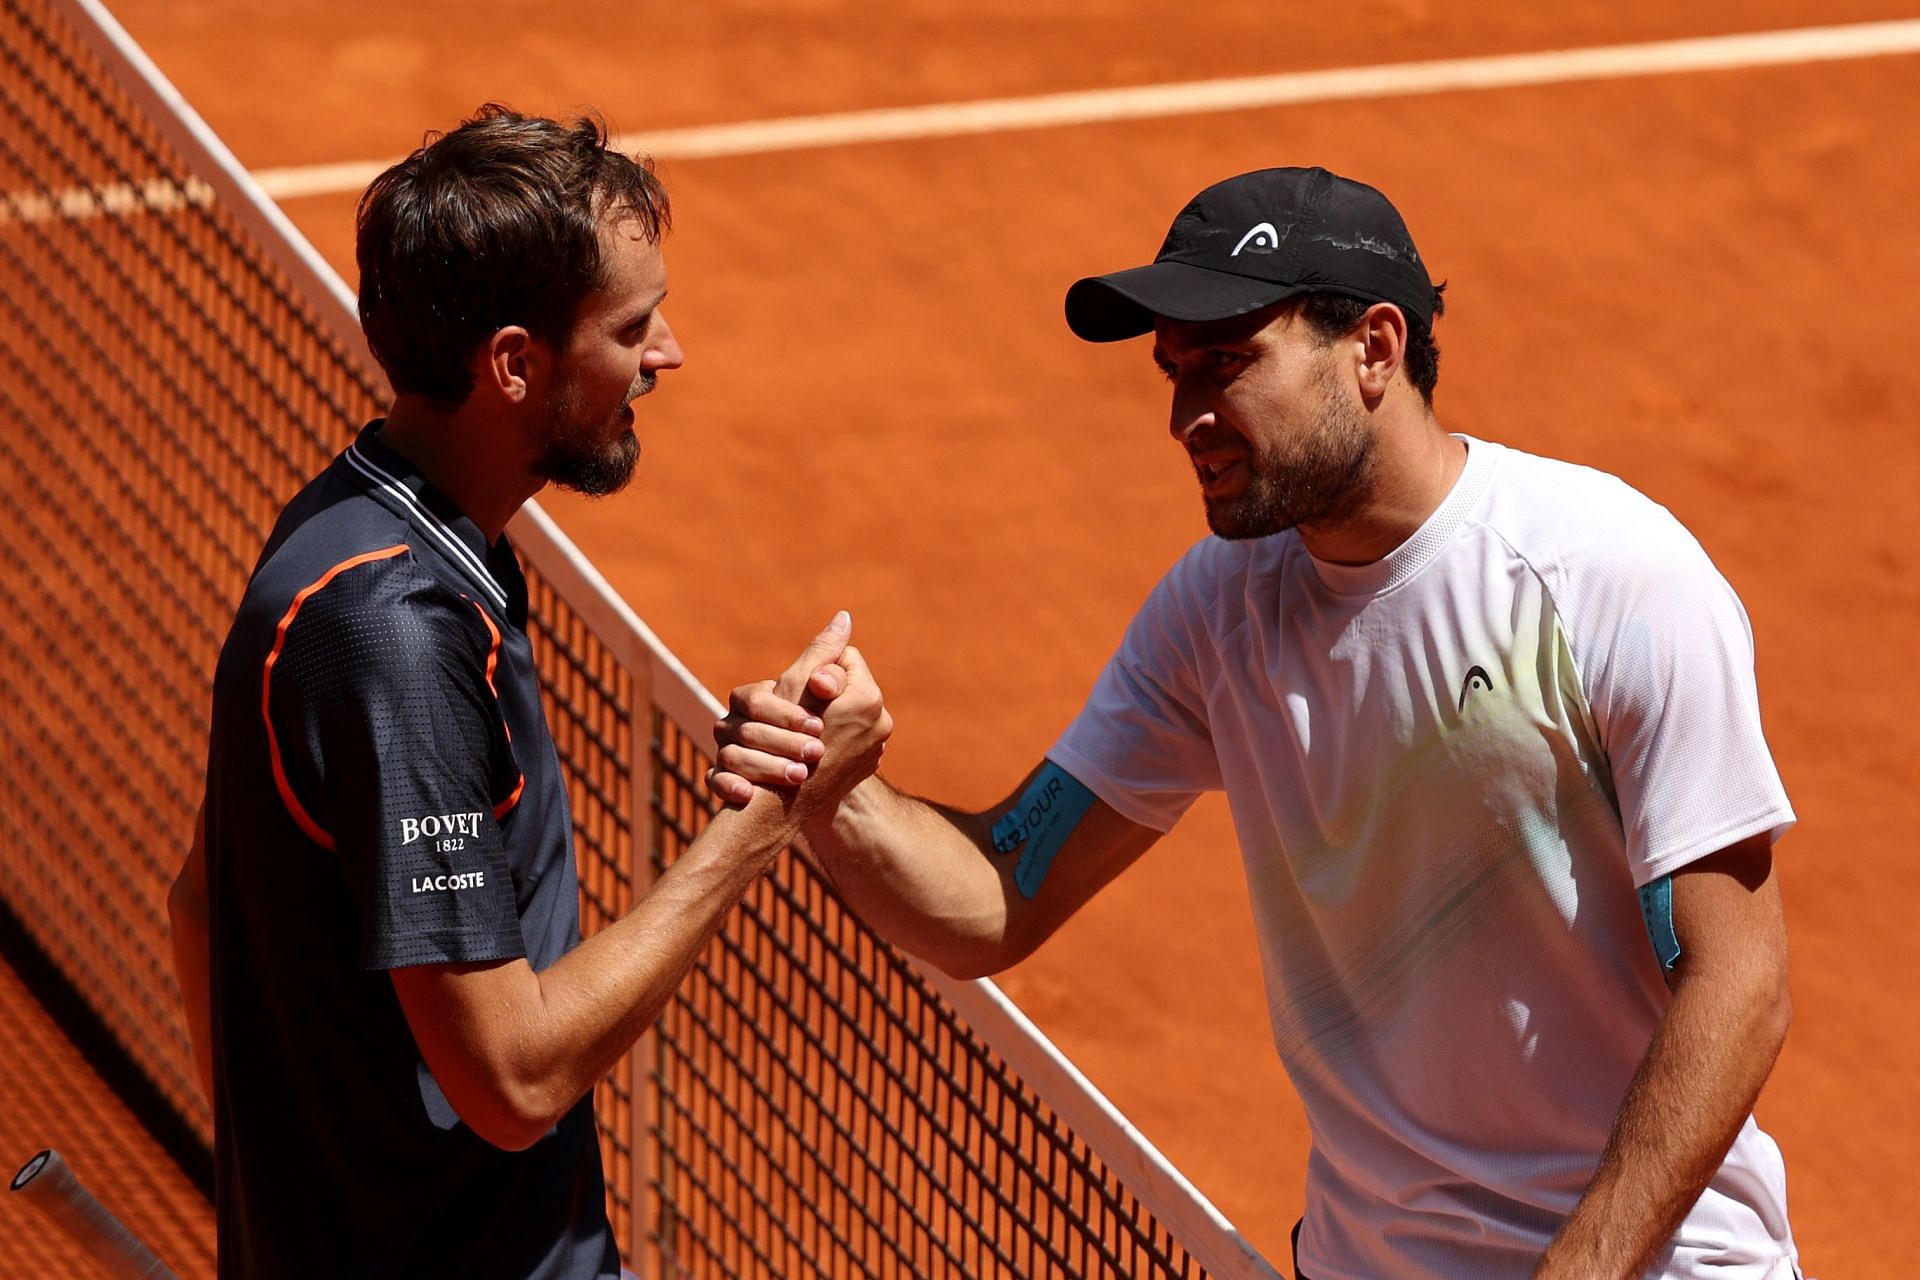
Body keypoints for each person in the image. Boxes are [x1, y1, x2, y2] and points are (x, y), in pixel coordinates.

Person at [711, 167, 1801, 1280]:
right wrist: (831, 787)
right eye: (1173, 373)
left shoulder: (1609, 578)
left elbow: (1739, 983)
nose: (1185, 417)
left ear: (1375, 349)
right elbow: (997, 893)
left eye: (1226, 364)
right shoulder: (1218, 612)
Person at [165, 106, 888, 1279]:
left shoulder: (353, 534)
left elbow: (200, 907)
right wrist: (767, 813)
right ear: (514, 363)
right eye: (634, 327)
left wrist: (296, 1204)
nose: (668, 355)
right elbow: (514, 1081)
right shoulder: (397, 633)